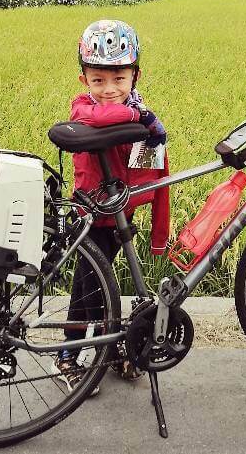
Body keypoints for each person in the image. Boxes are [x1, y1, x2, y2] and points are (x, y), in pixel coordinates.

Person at [54, 19, 170, 393]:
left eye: (119, 79)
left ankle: (109, 346)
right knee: (89, 289)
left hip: (121, 213)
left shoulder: (141, 110)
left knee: (100, 285)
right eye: (98, 80)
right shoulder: (84, 108)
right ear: (83, 79)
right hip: (91, 215)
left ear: (135, 75)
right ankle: (70, 356)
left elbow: (150, 168)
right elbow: (98, 117)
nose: (108, 90)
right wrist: (141, 118)